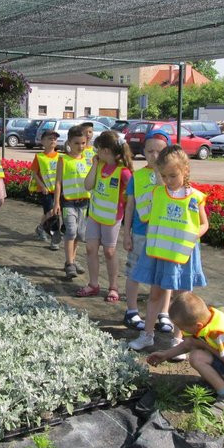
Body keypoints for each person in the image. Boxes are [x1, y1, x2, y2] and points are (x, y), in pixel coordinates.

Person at [128, 145, 208, 355]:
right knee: (155, 295)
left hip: (182, 255)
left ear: (186, 170)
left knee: (182, 298)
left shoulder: (195, 197)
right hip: (159, 253)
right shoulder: (156, 193)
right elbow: (142, 212)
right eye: (164, 175)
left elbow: (204, 224)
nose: (168, 180)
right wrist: (154, 179)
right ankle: (147, 335)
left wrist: (193, 236)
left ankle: (178, 340)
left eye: (173, 175)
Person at [147, 292, 224, 418]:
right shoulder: (206, 318)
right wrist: (165, 355)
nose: (180, 330)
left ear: (197, 326)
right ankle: (217, 385)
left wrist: (205, 346)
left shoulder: (221, 334)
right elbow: (188, 343)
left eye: (181, 327)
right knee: (198, 351)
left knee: (197, 357)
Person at [76, 130, 133, 301]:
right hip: (94, 215)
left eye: (97, 149)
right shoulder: (99, 165)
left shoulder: (123, 172)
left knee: (109, 251)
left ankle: (113, 287)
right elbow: (87, 186)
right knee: (90, 248)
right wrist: (94, 165)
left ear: (105, 151)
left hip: (112, 219)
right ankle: (93, 284)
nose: (96, 152)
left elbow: (133, 195)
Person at [122, 130, 170, 331]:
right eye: (150, 151)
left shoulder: (173, 176)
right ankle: (131, 310)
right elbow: (130, 206)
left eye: (160, 152)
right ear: (143, 152)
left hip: (165, 235)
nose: (154, 156)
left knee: (164, 275)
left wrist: (161, 172)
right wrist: (126, 234)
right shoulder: (137, 176)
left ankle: (163, 313)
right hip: (141, 233)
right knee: (134, 271)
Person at [52, 125, 91, 279]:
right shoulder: (63, 159)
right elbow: (58, 182)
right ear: (69, 142)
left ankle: (73, 260)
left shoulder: (88, 160)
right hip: (68, 203)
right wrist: (56, 203)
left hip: (84, 203)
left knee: (80, 234)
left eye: (83, 143)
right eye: (76, 143)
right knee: (71, 231)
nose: (80, 146)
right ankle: (69, 263)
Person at [29, 130, 62, 250]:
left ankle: (41, 228)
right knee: (52, 214)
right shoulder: (39, 157)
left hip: (57, 191)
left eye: (55, 139)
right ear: (42, 141)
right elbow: (34, 173)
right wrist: (42, 186)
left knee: (50, 213)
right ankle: (55, 239)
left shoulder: (60, 157)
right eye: (49, 138)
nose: (53, 140)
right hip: (45, 190)